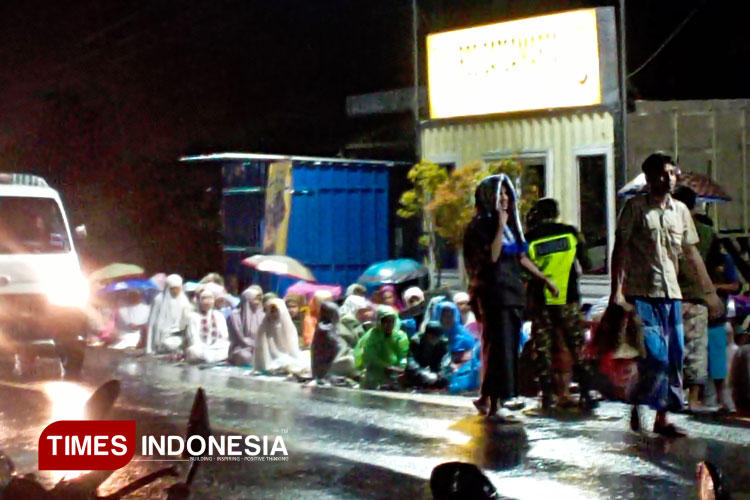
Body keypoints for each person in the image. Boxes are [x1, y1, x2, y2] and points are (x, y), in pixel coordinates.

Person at [610, 153, 723, 437]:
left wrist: (709, 293)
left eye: (673, 173)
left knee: (674, 358)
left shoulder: (681, 211)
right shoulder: (634, 209)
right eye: (663, 174)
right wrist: (616, 292)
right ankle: (639, 399)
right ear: (649, 178)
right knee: (656, 356)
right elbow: (620, 249)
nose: (669, 179)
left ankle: (660, 417)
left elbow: (691, 252)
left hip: (672, 294)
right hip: (643, 293)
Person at [463, 174, 559, 423]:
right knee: (498, 348)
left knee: (507, 347)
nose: (504, 198)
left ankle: (489, 397)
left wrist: (544, 278)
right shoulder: (480, 226)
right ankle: (496, 401)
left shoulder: (510, 226)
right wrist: (498, 225)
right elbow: (492, 257)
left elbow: (521, 257)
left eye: (507, 193)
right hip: (494, 294)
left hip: (513, 292)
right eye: (499, 194)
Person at [524, 197, 596, 411]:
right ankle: (586, 392)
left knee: (543, 348)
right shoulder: (571, 233)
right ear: (556, 213)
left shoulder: (529, 238)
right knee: (576, 345)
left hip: (541, 299)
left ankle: (547, 395)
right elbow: (588, 263)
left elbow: (524, 271)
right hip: (568, 298)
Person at [671, 186, 716, 412]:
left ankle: (673, 397)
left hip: (670, 297)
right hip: (697, 297)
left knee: (672, 349)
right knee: (696, 348)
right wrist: (711, 294)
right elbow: (713, 263)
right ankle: (694, 400)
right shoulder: (706, 231)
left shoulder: (666, 230)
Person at [354, 305, 410, 389]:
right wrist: (386, 367)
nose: (389, 324)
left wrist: (401, 367)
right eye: (385, 321)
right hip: (375, 371)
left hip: (395, 371)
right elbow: (371, 357)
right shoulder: (372, 336)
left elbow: (404, 354)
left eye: (391, 321)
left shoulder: (400, 336)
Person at [253, 298, 310, 375]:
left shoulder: (287, 325)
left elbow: (291, 347)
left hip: (286, 355)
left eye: (276, 311)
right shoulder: (264, 324)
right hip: (270, 357)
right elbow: (261, 348)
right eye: (272, 311)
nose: (274, 314)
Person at [311, 302, 357, 383]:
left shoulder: (331, 327)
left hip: (330, 362)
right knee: (350, 361)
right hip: (324, 368)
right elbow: (337, 346)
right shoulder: (324, 328)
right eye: (335, 313)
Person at [146, 274, 192, 354]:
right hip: (161, 335)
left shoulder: (184, 301)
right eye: (172, 289)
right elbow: (152, 323)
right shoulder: (159, 300)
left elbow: (187, 320)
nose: (175, 291)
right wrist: (149, 348)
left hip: (178, 334)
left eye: (178, 289)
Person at [185, 289, 230, 364]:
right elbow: (193, 338)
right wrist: (204, 348)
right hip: (200, 347)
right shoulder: (193, 316)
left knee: (227, 346)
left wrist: (215, 346)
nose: (207, 301)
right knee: (193, 350)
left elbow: (224, 336)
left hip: (216, 347)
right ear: (199, 301)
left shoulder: (219, 315)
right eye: (204, 298)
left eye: (210, 298)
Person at [404, 321, 451, 389]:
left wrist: (441, 372)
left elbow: (446, 360)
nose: (435, 340)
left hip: (436, 371)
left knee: (446, 379)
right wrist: (421, 372)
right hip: (419, 371)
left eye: (437, 337)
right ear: (427, 335)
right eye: (432, 337)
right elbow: (411, 360)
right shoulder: (416, 341)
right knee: (412, 376)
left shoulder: (443, 343)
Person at [226, 286, 264, 366]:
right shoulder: (235, 315)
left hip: (258, 347)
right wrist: (253, 345)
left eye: (260, 300)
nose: (258, 302)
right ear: (247, 298)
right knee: (245, 356)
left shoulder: (262, 315)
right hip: (240, 347)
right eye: (256, 299)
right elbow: (239, 338)